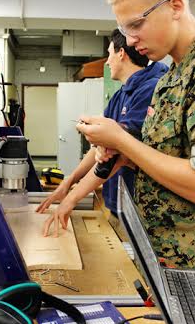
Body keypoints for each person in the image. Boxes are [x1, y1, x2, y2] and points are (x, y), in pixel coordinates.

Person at [77, 0, 195, 268]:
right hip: (169, 263)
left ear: (175, 7)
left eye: (136, 25)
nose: (129, 42)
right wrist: (124, 155)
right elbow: (168, 162)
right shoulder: (171, 78)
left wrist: (121, 139)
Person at [36, 29, 168, 237]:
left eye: (109, 54)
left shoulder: (149, 89)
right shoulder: (119, 96)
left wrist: (71, 200)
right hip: (119, 207)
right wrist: (68, 183)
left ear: (121, 53)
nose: (107, 62)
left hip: (144, 212)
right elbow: (99, 149)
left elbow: (116, 155)